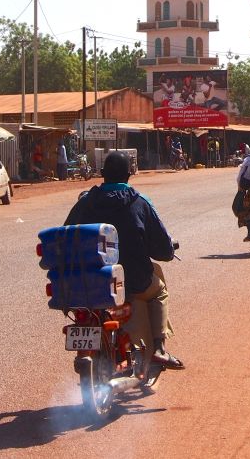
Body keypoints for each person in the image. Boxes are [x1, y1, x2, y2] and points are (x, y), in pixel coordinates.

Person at [64, 151, 183, 369]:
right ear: (129, 175)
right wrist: (168, 250)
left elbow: (66, 236)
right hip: (133, 282)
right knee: (159, 291)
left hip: (91, 284)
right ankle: (159, 348)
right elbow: (161, 248)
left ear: (102, 173)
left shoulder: (85, 202)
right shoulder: (140, 203)